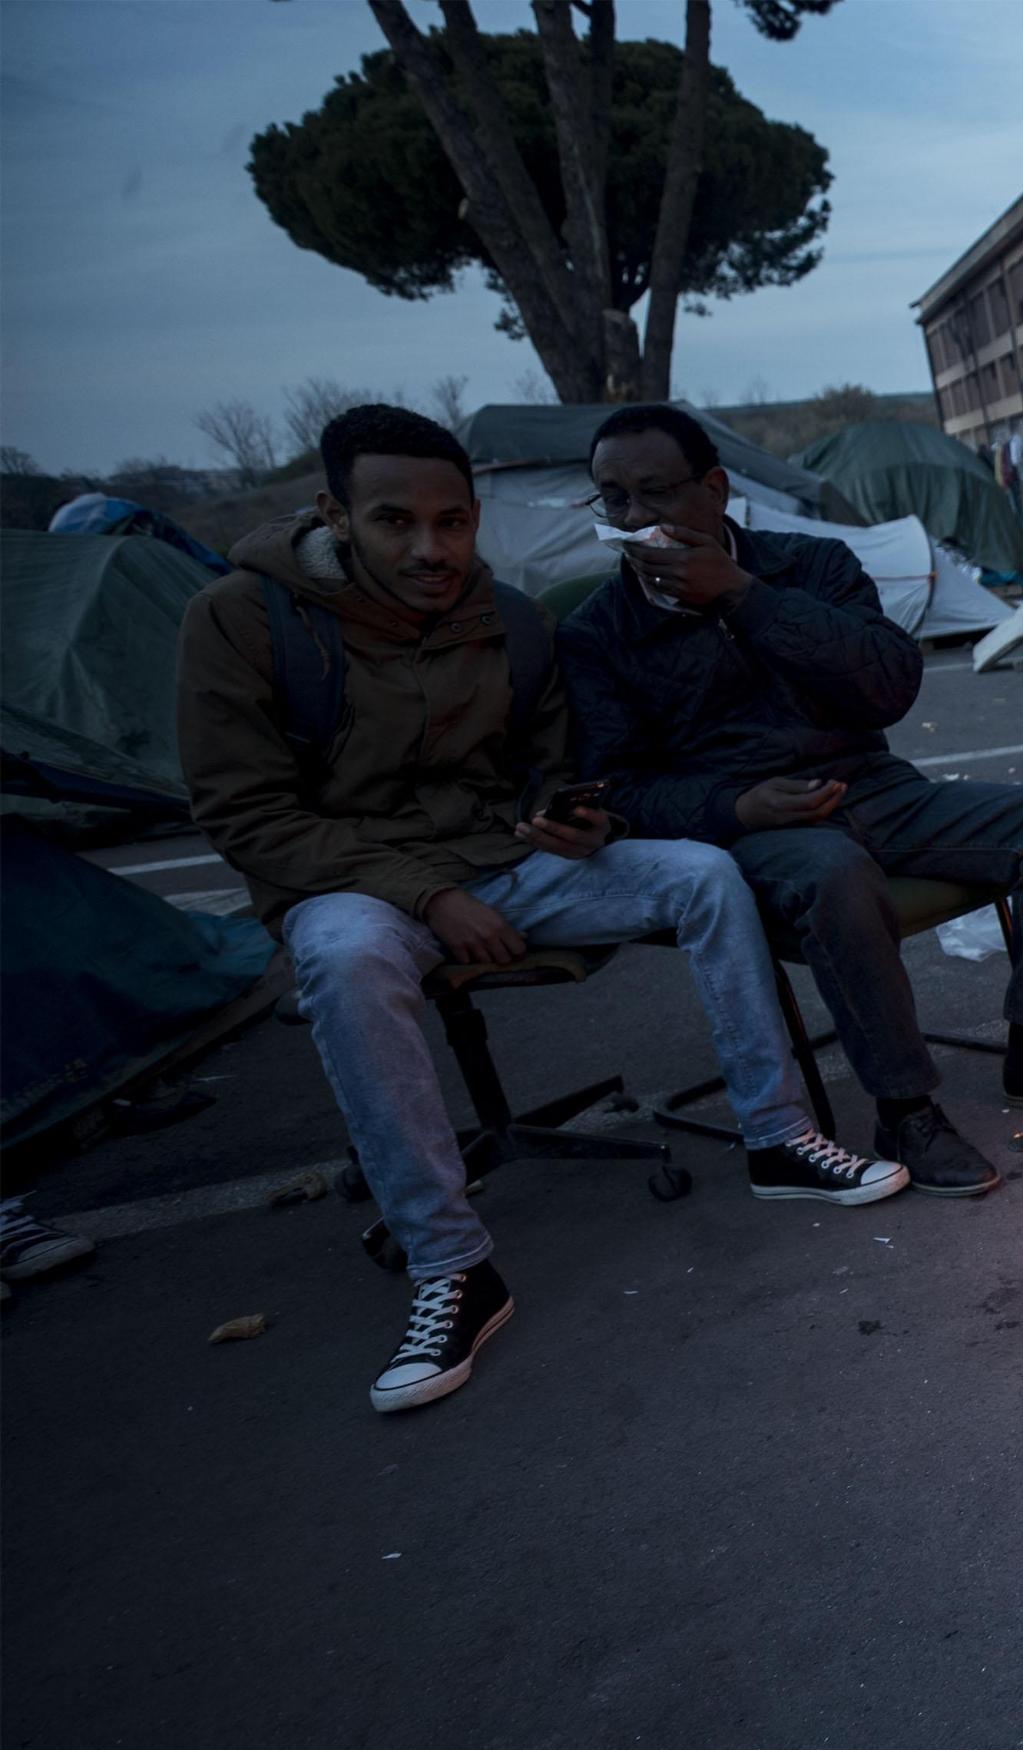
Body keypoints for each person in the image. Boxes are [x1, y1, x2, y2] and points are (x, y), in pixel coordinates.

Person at [180, 406, 904, 1417]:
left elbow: (556, 761)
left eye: (452, 521)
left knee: (701, 870)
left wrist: (561, 812)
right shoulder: (242, 618)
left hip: (506, 859)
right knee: (346, 961)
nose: (430, 548)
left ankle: (778, 1133)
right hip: (354, 885)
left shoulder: (509, 618)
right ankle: (452, 1263)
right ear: (335, 515)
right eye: (395, 521)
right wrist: (432, 894)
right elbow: (246, 813)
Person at [564, 403, 1023, 1200]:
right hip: (751, 829)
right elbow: (618, 788)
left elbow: (890, 684)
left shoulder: (811, 564)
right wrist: (739, 807)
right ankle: (904, 1108)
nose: (634, 519)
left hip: (873, 787)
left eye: (655, 494)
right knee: (834, 874)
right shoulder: (599, 631)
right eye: (613, 499)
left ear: (715, 490)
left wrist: (743, 594)